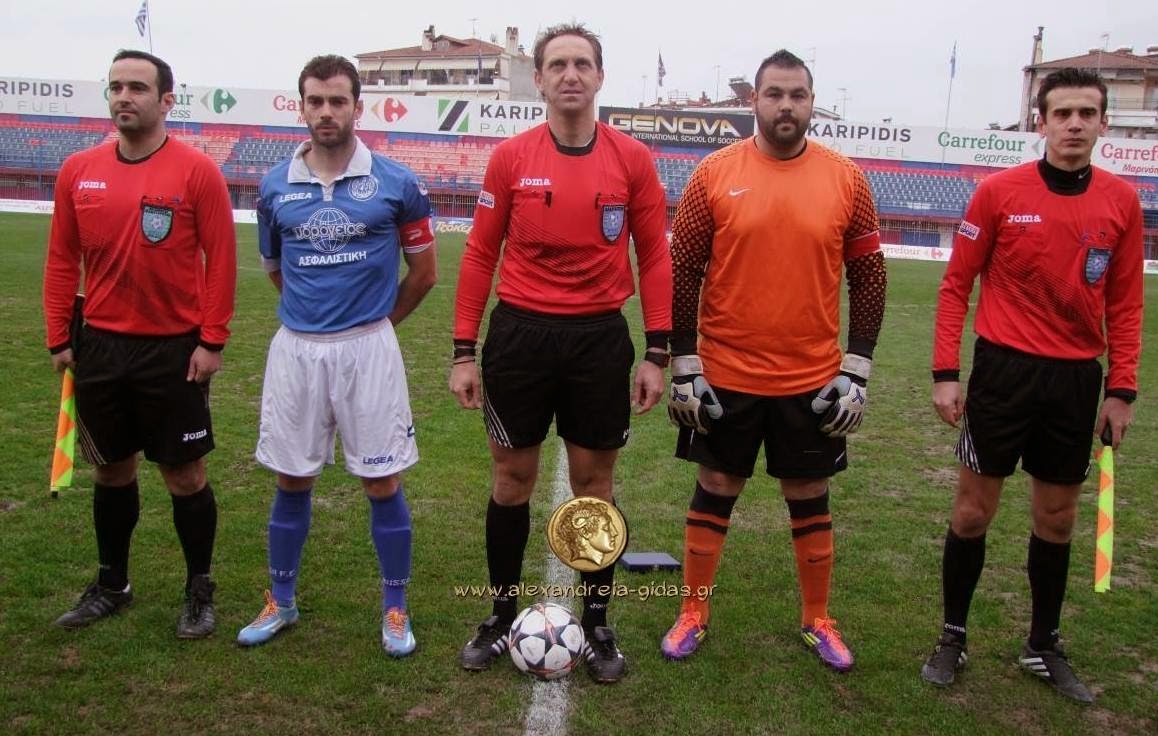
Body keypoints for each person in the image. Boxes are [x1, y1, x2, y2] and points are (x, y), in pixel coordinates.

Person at [449, 22, 671, 683]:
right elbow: (480, 253)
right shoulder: (511, 158)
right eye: (557, 65)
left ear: (599, 77)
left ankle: (597, 624)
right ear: (540, 79)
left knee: (593, 485)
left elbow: (654, 255)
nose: (570, 74)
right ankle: (499, 616)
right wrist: (464, 351)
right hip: (519, 338)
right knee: (511, 480)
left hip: (599, 341)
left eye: (582, 64)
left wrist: (657, 352)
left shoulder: (632, 159)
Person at [661, 50, 887, 673]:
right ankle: (693, 612)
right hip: (725, 372)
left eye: (798, 95)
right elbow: (682, 271)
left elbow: (870, 277)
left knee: (809, 492)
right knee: (715, 486)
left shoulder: (846, 178)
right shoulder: (714, 173)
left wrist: (857, 368)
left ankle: (817, 619)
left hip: (811, 377)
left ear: (812, 103)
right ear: (754, 102)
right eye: (774, 94)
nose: (786, 105)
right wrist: (685, 363)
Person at [921, 67, 1143, 704]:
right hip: (1003, 373)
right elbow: (956, 286)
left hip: (1074, 381)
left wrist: (1121, 389)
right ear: (1040, 122)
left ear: (1102, 123)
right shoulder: (998, 192)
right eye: (1062, 113)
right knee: (972, 512)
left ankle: (1042, 643)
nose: (1074, 124)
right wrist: (945, 374)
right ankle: (953, 635)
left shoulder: (1121, 202)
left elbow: (1126, 302)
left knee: (1058, 518)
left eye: (1087, 113)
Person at [236, 55, 437, 657]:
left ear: (357, 107)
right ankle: (281, 600)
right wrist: (314, 317)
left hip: (368, 350)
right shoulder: (275, 186)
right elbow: (276, 269)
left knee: (381, 478)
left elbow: (424, 274)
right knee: (291, 476)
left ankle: (395, 608)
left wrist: (377, 325)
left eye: (338, 101)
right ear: (302, 107)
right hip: (296, 350)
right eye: (316, 101)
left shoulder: (396, 183)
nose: (326, 111)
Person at [42, 49, 237, 638]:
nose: (123, 97)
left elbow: (222, 260)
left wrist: (212, 340)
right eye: (116, 87)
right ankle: (111, 584)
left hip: (173, 350)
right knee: (110, 471)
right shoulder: (79, 170)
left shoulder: (197, 171)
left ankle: (199, 590)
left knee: (185, 475)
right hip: (101, 346)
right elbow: (61, 259)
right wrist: (58, 336)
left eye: (137, 88)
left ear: (167, 100)